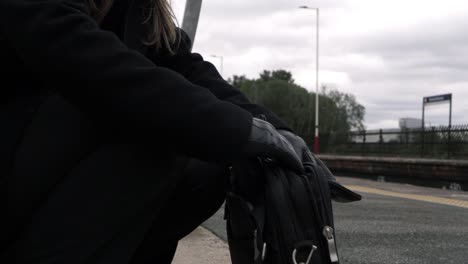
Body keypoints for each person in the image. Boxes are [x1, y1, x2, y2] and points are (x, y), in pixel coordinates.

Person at [0, 0, 311, 263]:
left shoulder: (140, 9)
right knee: (160, 135)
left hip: (44, 173)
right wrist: (240, 131)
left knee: (208, 169)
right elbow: (72, 49)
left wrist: (274, 130)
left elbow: (189, 71)